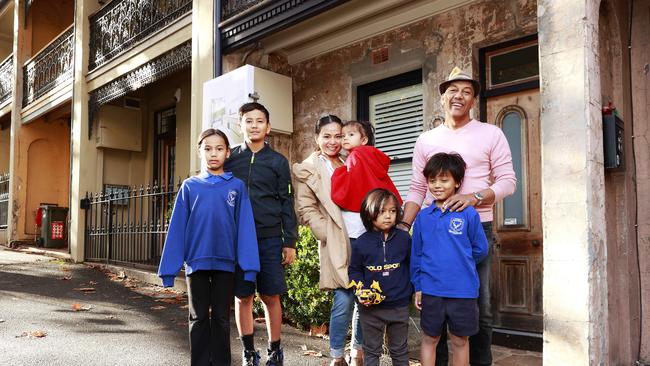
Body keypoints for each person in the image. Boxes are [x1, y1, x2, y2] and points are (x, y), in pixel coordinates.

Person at [400, 67, 516, 366]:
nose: (458, 96)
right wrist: (403, 226)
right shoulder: (426, 139)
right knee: (433, 308)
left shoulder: (492, 133)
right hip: (433, 225)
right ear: (442, 97)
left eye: (466, 91)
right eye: (453, 90)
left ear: (474, 99)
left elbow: (508, 182)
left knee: (482, 307)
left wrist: (473, 197)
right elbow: (416, 188)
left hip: (477, 224)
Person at [158, 128, 260, 366]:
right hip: (197, 262)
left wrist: (249, 267)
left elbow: (245, 228)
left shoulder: (236, 187)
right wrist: (169, 270)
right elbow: (177, 229)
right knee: (198, 317)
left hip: (226, 263)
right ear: (200, 152)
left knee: (222, 319)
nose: (213, 153)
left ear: (227, 152)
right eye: (208, 149)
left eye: (219, 148)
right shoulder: (189, 187)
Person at [225, 102, 298, 366]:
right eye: (249, 120)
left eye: (259, 121)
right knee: (242, 296)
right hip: (238, 240)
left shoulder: (278, 161)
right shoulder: (231, 158)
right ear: (240, 124)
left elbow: (286, 202)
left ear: (268, 127)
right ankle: (248, 352)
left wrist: (289, 240)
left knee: (270, 296)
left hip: (269, 238)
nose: (254, 125)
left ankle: (275, 350)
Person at [293, 115, 364, 366]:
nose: (333, 141)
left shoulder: (352, 158)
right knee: (344, 296)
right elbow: (305, 208)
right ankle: (337, 355)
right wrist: (326, 232)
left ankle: (357, 350)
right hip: (337, 238)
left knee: (365, 295)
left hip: (364, 235)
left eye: (338, 136)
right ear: (317, 138)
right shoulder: (309, 167)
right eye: (327, 136)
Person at [411, 152, 489, 366]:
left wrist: (459, 262)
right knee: (430, 338)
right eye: (432, 180)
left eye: (444, 180)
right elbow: (416, 255)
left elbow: (480, 249)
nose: (437, 185)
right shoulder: (423, 217)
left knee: (460, 340)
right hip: (431, 291)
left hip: (462, 291)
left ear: (457, 182)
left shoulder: (468, 214)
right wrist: (418, 286)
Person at [348, 188, 412, 366]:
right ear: (369, 213)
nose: (388, 216)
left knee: (400, 351)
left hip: (399, 306)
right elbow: (354, 271)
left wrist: (411, 291)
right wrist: (361, 291)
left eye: (392, 211)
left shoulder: (404, 239)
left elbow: (413, 266)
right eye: (382, 211)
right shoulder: (361, 243)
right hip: (371, 310)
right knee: (371, 351)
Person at [331, 120, 402, 212]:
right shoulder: (371, 153)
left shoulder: (355, 155)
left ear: (364, 140)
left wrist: (338, 173)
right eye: (343, 136)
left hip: (370, 203)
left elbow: (353, 180)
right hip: (382, 200)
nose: (345, 138)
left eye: (351, 135)